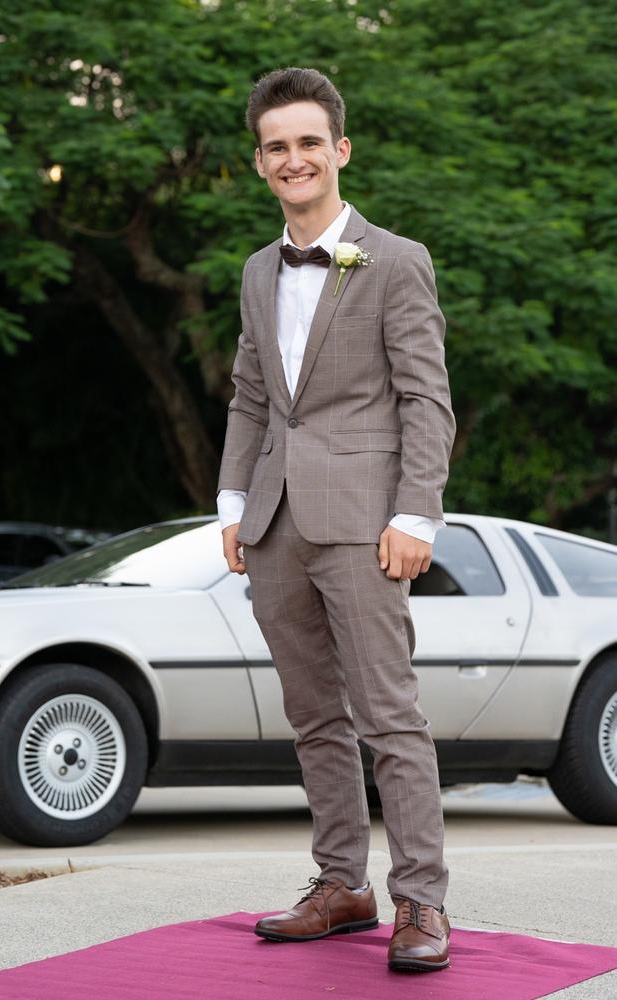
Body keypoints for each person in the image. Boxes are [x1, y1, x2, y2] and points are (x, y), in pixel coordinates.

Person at [217, 66, 456, 973]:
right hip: (274, 521)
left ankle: (422, 901)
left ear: (340, 150)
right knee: (313, 715)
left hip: (366, 521)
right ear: (260, 162)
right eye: (277, 146)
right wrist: (234, 503)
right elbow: (248, 397)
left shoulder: (396, 260)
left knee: (390, 717)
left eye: (309, 141)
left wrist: (416, 516)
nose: (294, 158)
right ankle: (342, 884)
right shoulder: (254, 271)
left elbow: (426, 402)